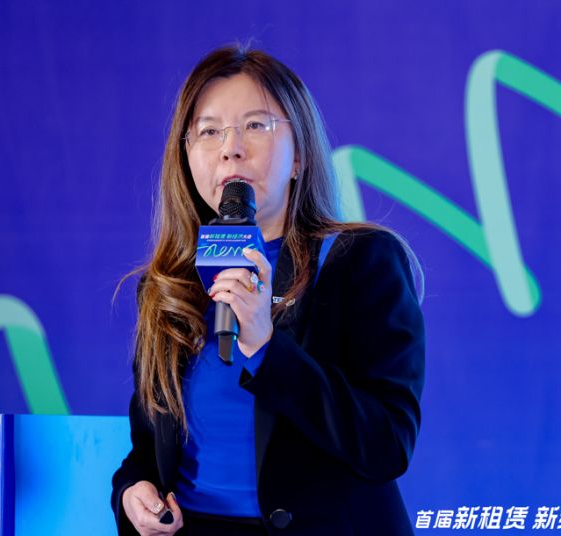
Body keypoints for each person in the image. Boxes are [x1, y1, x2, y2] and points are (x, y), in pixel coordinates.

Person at [111, 44, 425, 535]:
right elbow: (148, 449)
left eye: (255, 126)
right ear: (186, 157)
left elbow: (387, 443)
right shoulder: (166, 286)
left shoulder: (359, 261)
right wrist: (132, 491)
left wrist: (265, 346)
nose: (230, 148)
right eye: (209, 131)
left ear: (299, 155)